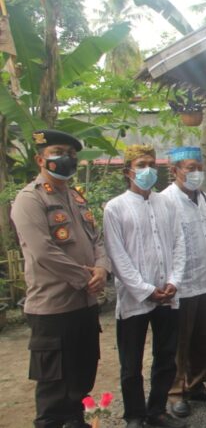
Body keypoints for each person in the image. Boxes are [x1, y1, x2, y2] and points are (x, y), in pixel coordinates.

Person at [11, 130, 111, 428]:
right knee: (55, 389)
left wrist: (102, 268)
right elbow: (43, 251)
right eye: (58, 151)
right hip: (53, 309)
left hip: (84, 304)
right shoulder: (29, 199)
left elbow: (97, 241)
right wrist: (85, 277)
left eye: (71, 152)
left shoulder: (76, 197)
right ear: (40, 158)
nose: (66, 158)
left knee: (81, 379)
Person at [104, 145, 187, 428]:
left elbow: (179, 244)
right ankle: (135, 415)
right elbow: (117, 256)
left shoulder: (167, 203)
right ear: (128, 170)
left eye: (151, 164)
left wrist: (174, 281)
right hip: (134, 299)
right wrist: (146, 289)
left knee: (165, 358)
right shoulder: (115, 208)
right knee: (131, 363)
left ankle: (157, 411)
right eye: (141, 164)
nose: (147, 169)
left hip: (168, 295)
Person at [162, 147, 206, 418]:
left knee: (205, 337)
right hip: (180, 284)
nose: (196, 172)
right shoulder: (166, 201)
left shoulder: (205, 199)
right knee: (180, 342)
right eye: (189, 167)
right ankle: (176, 393)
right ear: (174, 170)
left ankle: (198, 384)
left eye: (199, 167)